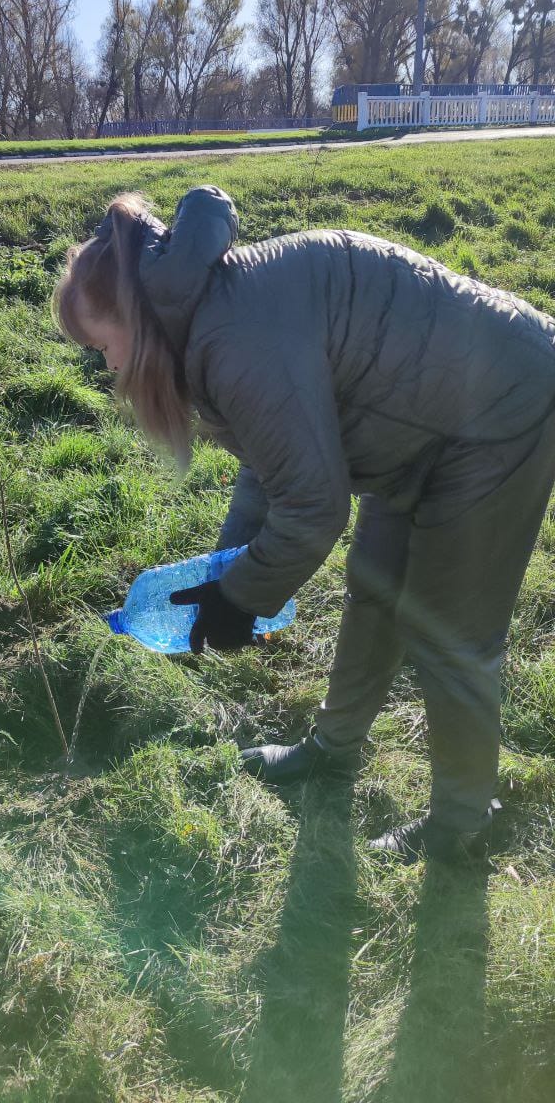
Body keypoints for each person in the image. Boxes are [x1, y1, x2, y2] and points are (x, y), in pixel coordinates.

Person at [52, 185, 555, 864]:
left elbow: (315, 509)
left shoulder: (230, 336)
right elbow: (273, 464)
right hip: (419, 424)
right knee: (375, 587)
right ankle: (332, 750)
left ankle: (462, 823)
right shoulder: (207, 316)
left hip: (500, 411)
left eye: (101, 344)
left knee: (448, 628)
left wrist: (240, 599)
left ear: (134, 319)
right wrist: (229, 570)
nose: (107, 366)